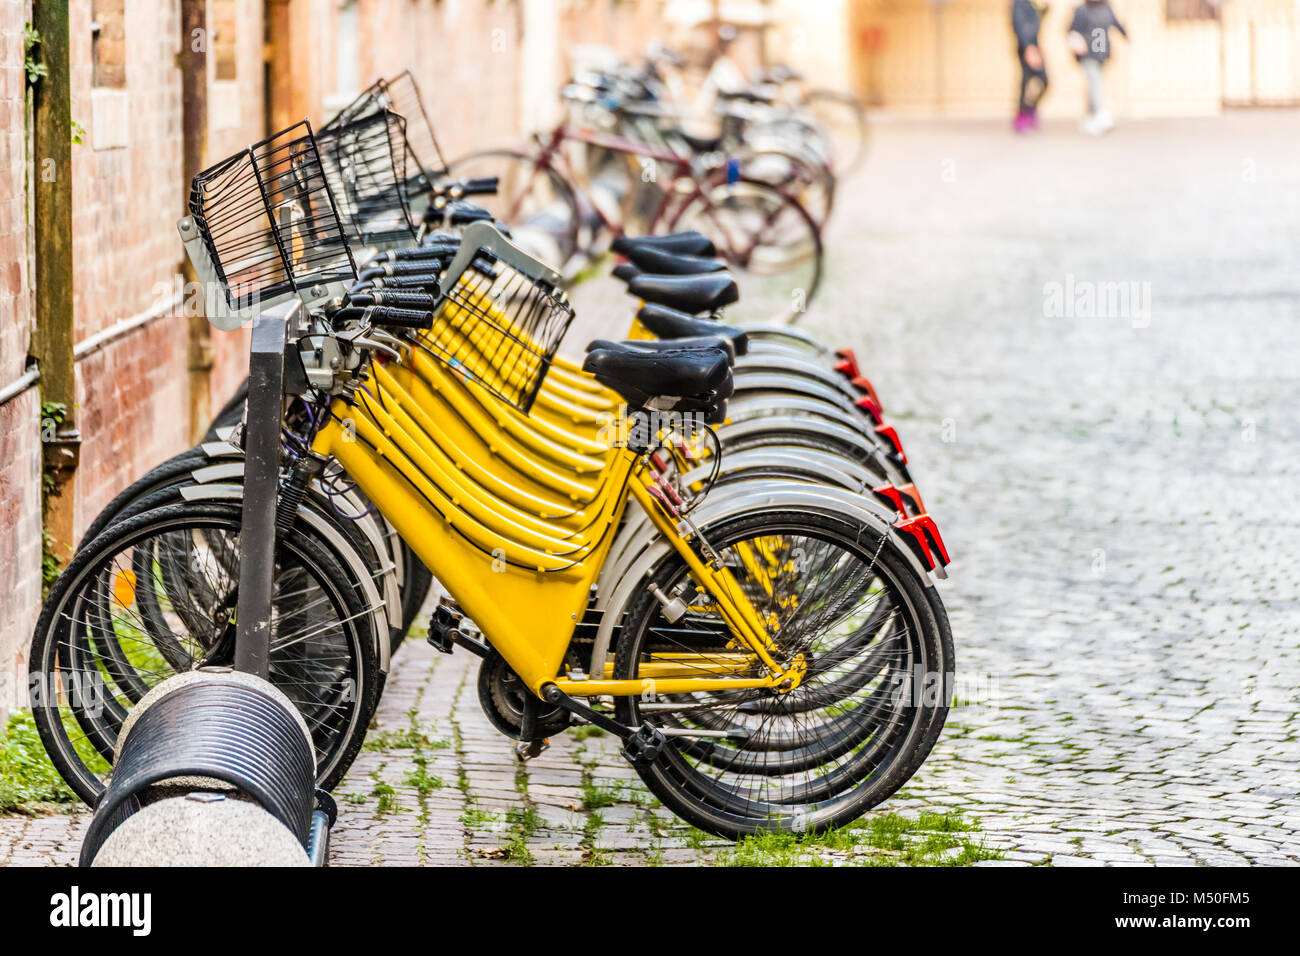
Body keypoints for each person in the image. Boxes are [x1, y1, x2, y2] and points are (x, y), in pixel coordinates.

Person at [1068, 0, 1127, 135]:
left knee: (1094, 83)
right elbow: (1072, 30)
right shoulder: (1081, 10)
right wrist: (1077, 41)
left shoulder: (1106, 7)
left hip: (1101, 53)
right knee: (1094, 81)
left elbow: (1115, 23)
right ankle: (1098, 113)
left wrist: (1125, 34)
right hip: (1088, 54)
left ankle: (1090, 116)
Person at [1012, 0, 1048, 133]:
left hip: (1035, 46)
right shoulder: (1019, 3)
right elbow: (1019, 25)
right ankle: (1022, 115)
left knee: (1044, 81)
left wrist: (1045, 8)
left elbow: (1037, 22)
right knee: (1026, 82)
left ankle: (1029, 109)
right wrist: (1028, 48)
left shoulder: (1032, 4)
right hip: (1026, 48)